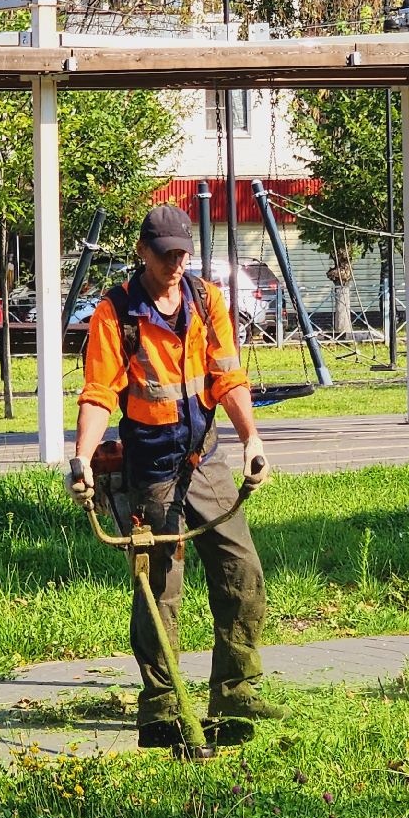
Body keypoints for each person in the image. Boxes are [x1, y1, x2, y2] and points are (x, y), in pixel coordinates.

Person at [67, 204, 284, 750]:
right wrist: (82, 459)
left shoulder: (207, 302)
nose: (174, 263)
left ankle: (234, 690)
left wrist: (251, 438)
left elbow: (229, 375)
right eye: (164, 254)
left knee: (242, 571)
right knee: (159, 590)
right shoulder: (116, 314)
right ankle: (161, 708)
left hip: (204, 458)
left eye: (182, 253)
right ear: (142, 251)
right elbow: (98, 393)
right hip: (152, 469)